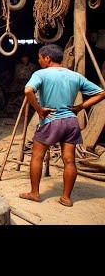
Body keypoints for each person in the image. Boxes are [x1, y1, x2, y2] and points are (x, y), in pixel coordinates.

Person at [19, 44, 105, 207]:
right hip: (71, 122)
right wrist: (80, 107)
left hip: (51, 120)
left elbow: (28, 91)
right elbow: (101, 93)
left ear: (47, 58)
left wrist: (39, 109)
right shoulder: (75, 76)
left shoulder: (41, 74)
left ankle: (35, 193)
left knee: (37, 157)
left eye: (39, 57)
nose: (38, 60)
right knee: (69, 161)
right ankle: (66, 197)